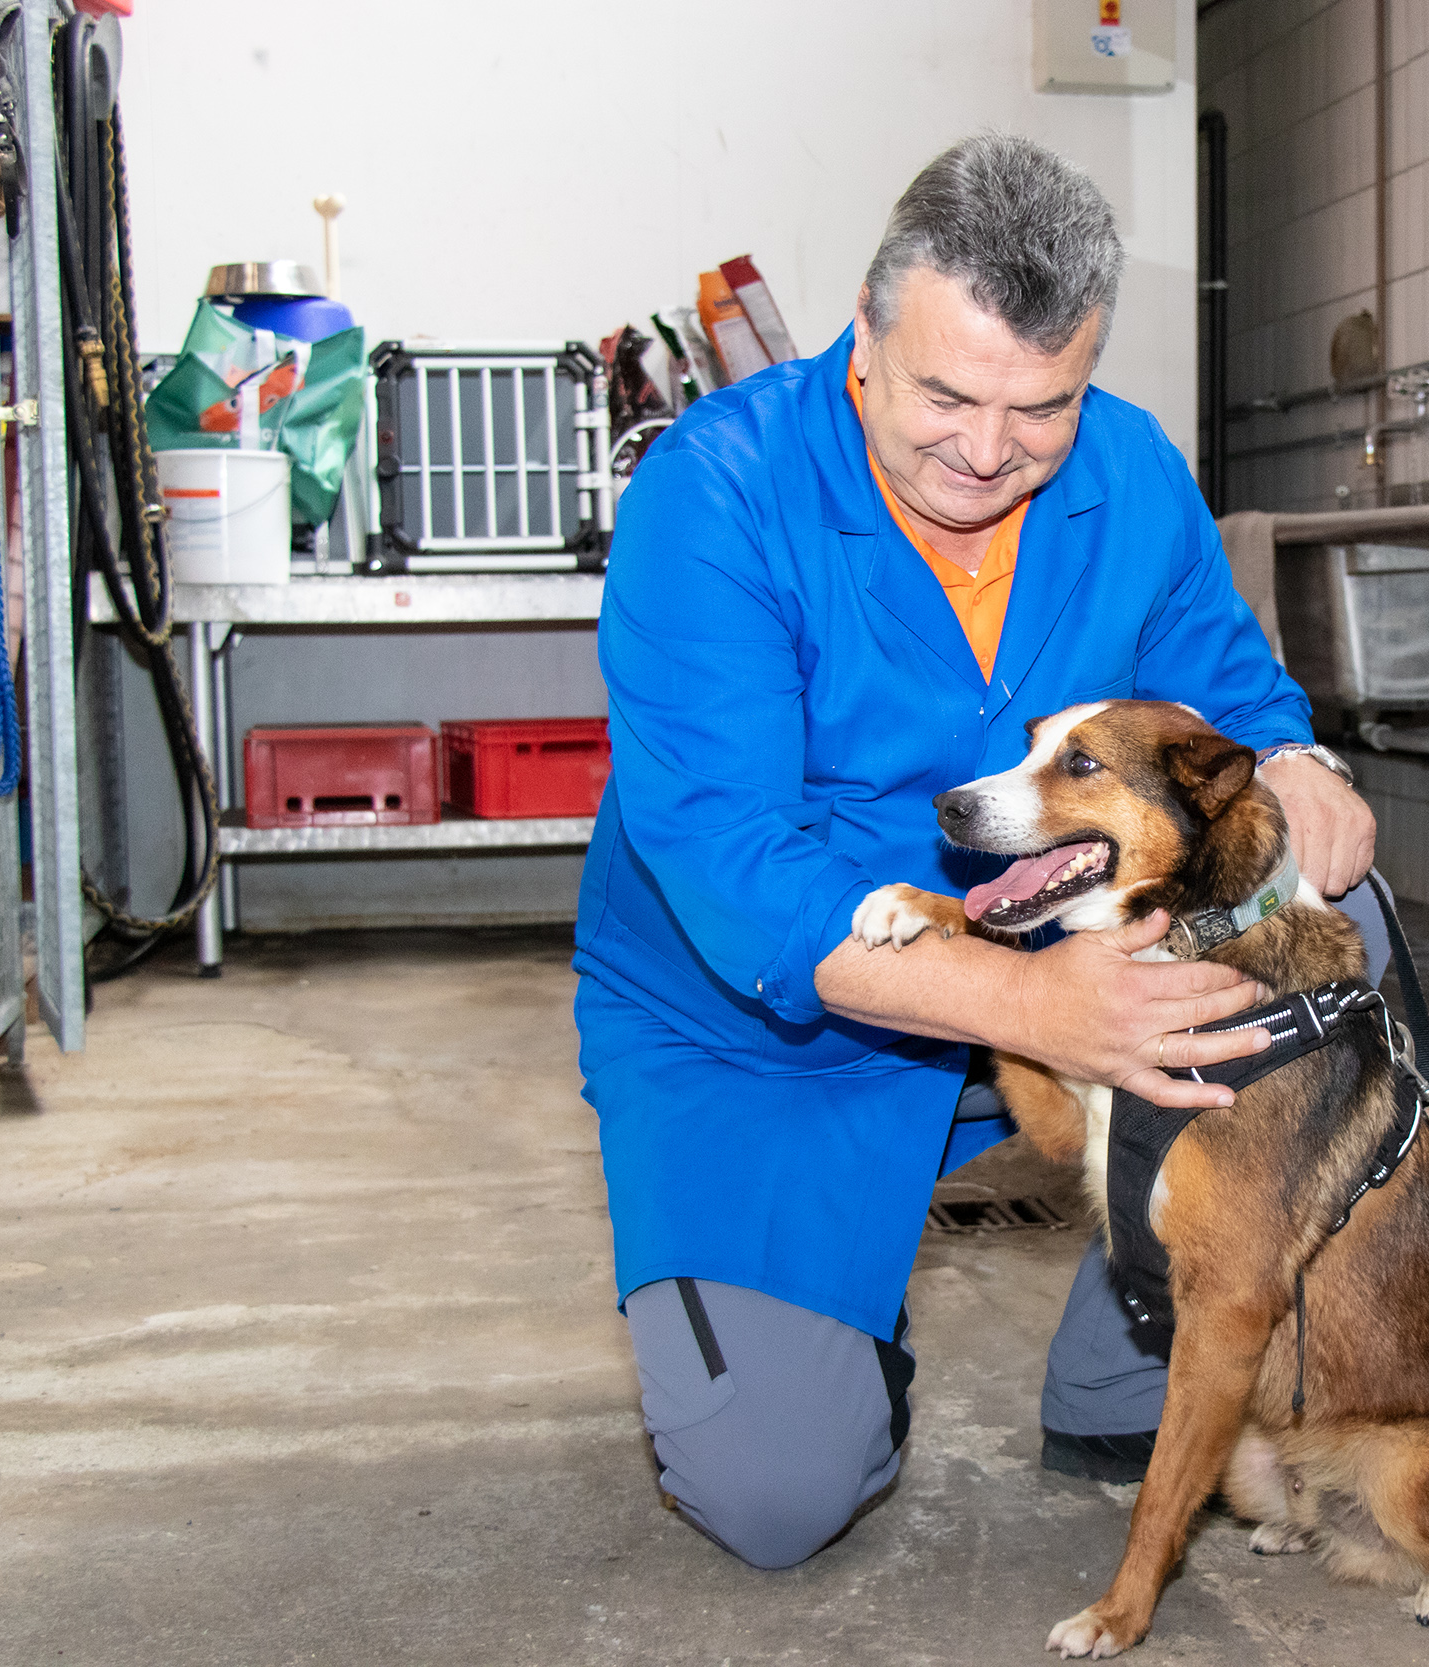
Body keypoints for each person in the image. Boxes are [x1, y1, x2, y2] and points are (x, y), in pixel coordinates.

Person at [573, 134, 1378, 1572]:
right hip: (767, 1034)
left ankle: (1132, 1364)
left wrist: (1304, 763)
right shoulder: (715, 494)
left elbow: (1228, 697)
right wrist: (1027, 1004)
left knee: (1328, 915)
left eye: (1042, 406)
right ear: (863, 335)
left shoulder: (1130, 470)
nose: (990, 451)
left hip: (1056, 977)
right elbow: (726, 851)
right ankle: (831, 1351)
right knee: (778, 1496)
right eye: (946, 395)